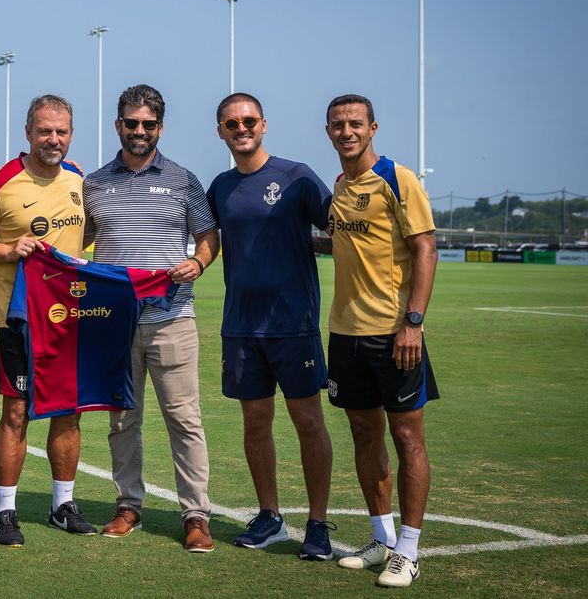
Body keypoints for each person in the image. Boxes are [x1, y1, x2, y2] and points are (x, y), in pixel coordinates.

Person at [82, 84, 219, 553]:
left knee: (185, 420)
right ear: (118, 125)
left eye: (148, 124)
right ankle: (128, 505)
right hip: (114, 325)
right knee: (122, 420)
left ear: (161, 128)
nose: (140, 131)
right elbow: (76, 241)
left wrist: (198, 263)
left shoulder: (184, 180)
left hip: (172, 318)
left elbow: (208, 237)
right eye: (132, 123)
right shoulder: (94, 183)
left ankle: (196, 515)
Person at [205, 92, 335, 559]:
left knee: (308, 422)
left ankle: (318, 524)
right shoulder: (218, 187)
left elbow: (339, 229)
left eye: (249, 121)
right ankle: (270, 516)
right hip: (240, 327)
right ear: (220, 131)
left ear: (264, 125)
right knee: (255, 423)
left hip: (293, 325)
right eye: (231, 123)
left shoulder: (296, 177)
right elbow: (208, 240)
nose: (241, 129)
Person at [0, 94, 93, 547]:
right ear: (28, 132)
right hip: (18, 320)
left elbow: (89, 232)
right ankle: (4, 512)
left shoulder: (78, 179)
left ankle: (62, 505)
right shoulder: (1, 180)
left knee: (70, 414)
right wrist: (8, 250)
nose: (52, 139)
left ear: (70, 135)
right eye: (44, 131)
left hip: (71, 317)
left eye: (61, 131)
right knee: (15, 412)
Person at [324, 94, 438, 588]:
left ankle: (408, 551)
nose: (346, 132)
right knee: (364, 435)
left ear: (373, 128)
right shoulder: (339, 186)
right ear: (327, 131)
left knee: (407, 437)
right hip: (344, 334)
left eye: (355, 124)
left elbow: (426, 246)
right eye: (337, 125)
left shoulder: (399, 179)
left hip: (394, 335)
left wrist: (413, 321)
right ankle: (382, 539)